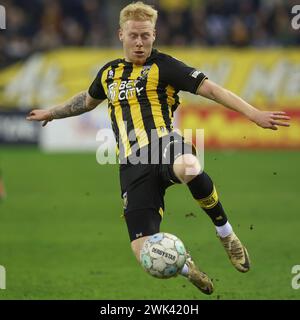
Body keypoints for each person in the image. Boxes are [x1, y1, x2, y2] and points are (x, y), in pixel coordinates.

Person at [26, 2, 290, 295]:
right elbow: (85, 101)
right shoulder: (108, 74)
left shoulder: (165, 66)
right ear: (121, 35)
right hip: (131, 163)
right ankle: (187, 266)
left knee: (189, 166)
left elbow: (213, 90)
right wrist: (51, 112)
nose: (140, 43)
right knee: (144, 253)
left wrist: (254, 114)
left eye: (146, 36)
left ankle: (226, 234)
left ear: (154, 35)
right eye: (134, 35)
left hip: (163, 144)